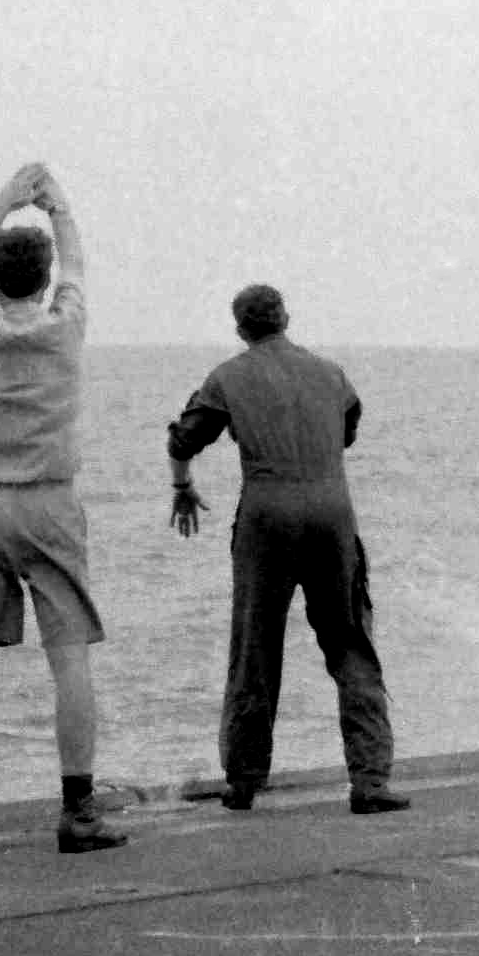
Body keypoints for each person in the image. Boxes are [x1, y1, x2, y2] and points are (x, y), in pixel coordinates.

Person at [0, 162, 126, 855]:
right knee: (69, 659)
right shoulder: (64, 328)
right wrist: (58, 208)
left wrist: (5, 198)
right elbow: (76, 261)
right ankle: (77, 812)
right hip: (48, 505)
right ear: (44, 281)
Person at [166, 285, 406, 815]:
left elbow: (184, 439)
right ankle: (370, 780)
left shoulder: (228, 376)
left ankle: (244, 780)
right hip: (332, 512)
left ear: (240, 329)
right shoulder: (331, 373)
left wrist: (182, 487)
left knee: (255, 645)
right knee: (350, 643)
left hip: (265, 517)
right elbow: (347, 434)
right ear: (286, 319)